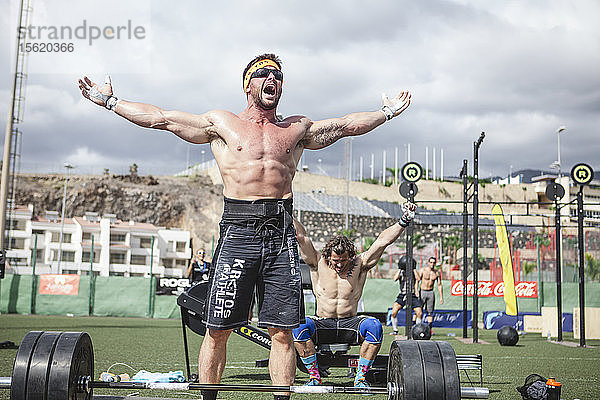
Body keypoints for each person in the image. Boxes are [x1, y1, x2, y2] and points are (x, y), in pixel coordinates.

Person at [78, 53, 411, 400]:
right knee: (218, 329)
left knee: (282, 332)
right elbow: (161, 118)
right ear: (247, 84)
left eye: (279, 76)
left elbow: (344, 126)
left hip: (280, 235)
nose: (274, 80)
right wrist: (110, 101)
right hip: (239, 231)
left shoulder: (296, 128)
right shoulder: (221, 123)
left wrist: (385, 112)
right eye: (265, 74)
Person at [292, 202, 416, 388]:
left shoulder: (360, 263)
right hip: (322, 322)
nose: (340, 265)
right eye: (336, 261)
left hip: (350, 323)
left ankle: (360, 378)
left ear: (350, 256)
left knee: (374, 326)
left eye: (344, 260)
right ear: (328, 256)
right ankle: (315, 377)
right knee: (299, 326)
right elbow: (301, 237)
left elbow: (382, 241)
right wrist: (286, 211)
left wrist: (404, 220)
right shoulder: (317, 262)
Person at [390, 255, 423, 335]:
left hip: (412, 295)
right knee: (394, 312)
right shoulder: (401, 272)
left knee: (419, 312)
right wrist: (400, 268)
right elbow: (395, 279)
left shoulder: (413, 272)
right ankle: (395, 330)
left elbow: (418, 278)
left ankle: (417, 330)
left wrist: (413, 268)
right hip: (402, 295)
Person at [417, 256, 444, 326]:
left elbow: (439, 285)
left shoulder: (436, 272)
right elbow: (417, 281)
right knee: (418, 310)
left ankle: (429, 328)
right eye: (431, 262)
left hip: (430, 292)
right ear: (428, 263)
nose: (432, 264)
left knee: (430, 311)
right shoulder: (423, 270)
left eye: (433, 263)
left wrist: (441, 297)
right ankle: (416, 326)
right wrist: (416, 291)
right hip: (422, 291)